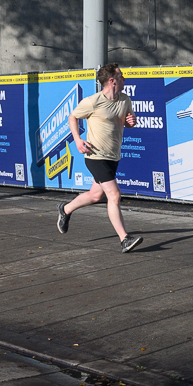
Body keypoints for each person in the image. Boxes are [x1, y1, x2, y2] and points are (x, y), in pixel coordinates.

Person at [56, 63, 142, 252]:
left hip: (113, 156)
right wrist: (77, 140)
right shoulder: (93, 101)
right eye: (120, 75)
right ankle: (124, 239)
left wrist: (131, 122)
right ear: (112, 81)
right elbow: (72, 117)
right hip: (95, 156)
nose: (124, 78)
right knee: (114, 195)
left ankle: (66, 209)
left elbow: (128, 123)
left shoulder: (125, 99)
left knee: (95, 196)